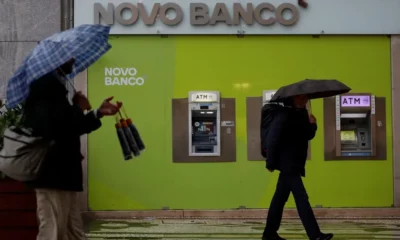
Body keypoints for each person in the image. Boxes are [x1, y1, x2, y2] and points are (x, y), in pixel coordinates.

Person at [22, 58, 121, 240]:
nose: (74, 61)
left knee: (72, 230)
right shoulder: (43, 86)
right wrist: (77, 107)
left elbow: (71, 126)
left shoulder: (55, 87)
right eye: (70, 57)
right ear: (57, 58)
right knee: (52, 231)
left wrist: (97, 112)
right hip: (51, 172)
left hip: (64, 172)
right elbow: (52, 128)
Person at [262, 95, 333, 240]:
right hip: (288, 163)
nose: (304, 101)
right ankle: (315, 235)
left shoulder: (302, 114)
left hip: (296, 161)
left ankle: (269, 233)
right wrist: (270, 162)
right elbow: (273, 138)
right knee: (302, 198)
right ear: (292, 100)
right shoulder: (283, 114)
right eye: (300, 99)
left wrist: (313, 125)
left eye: (305, 99)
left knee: (279, 199)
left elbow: (306, 135)